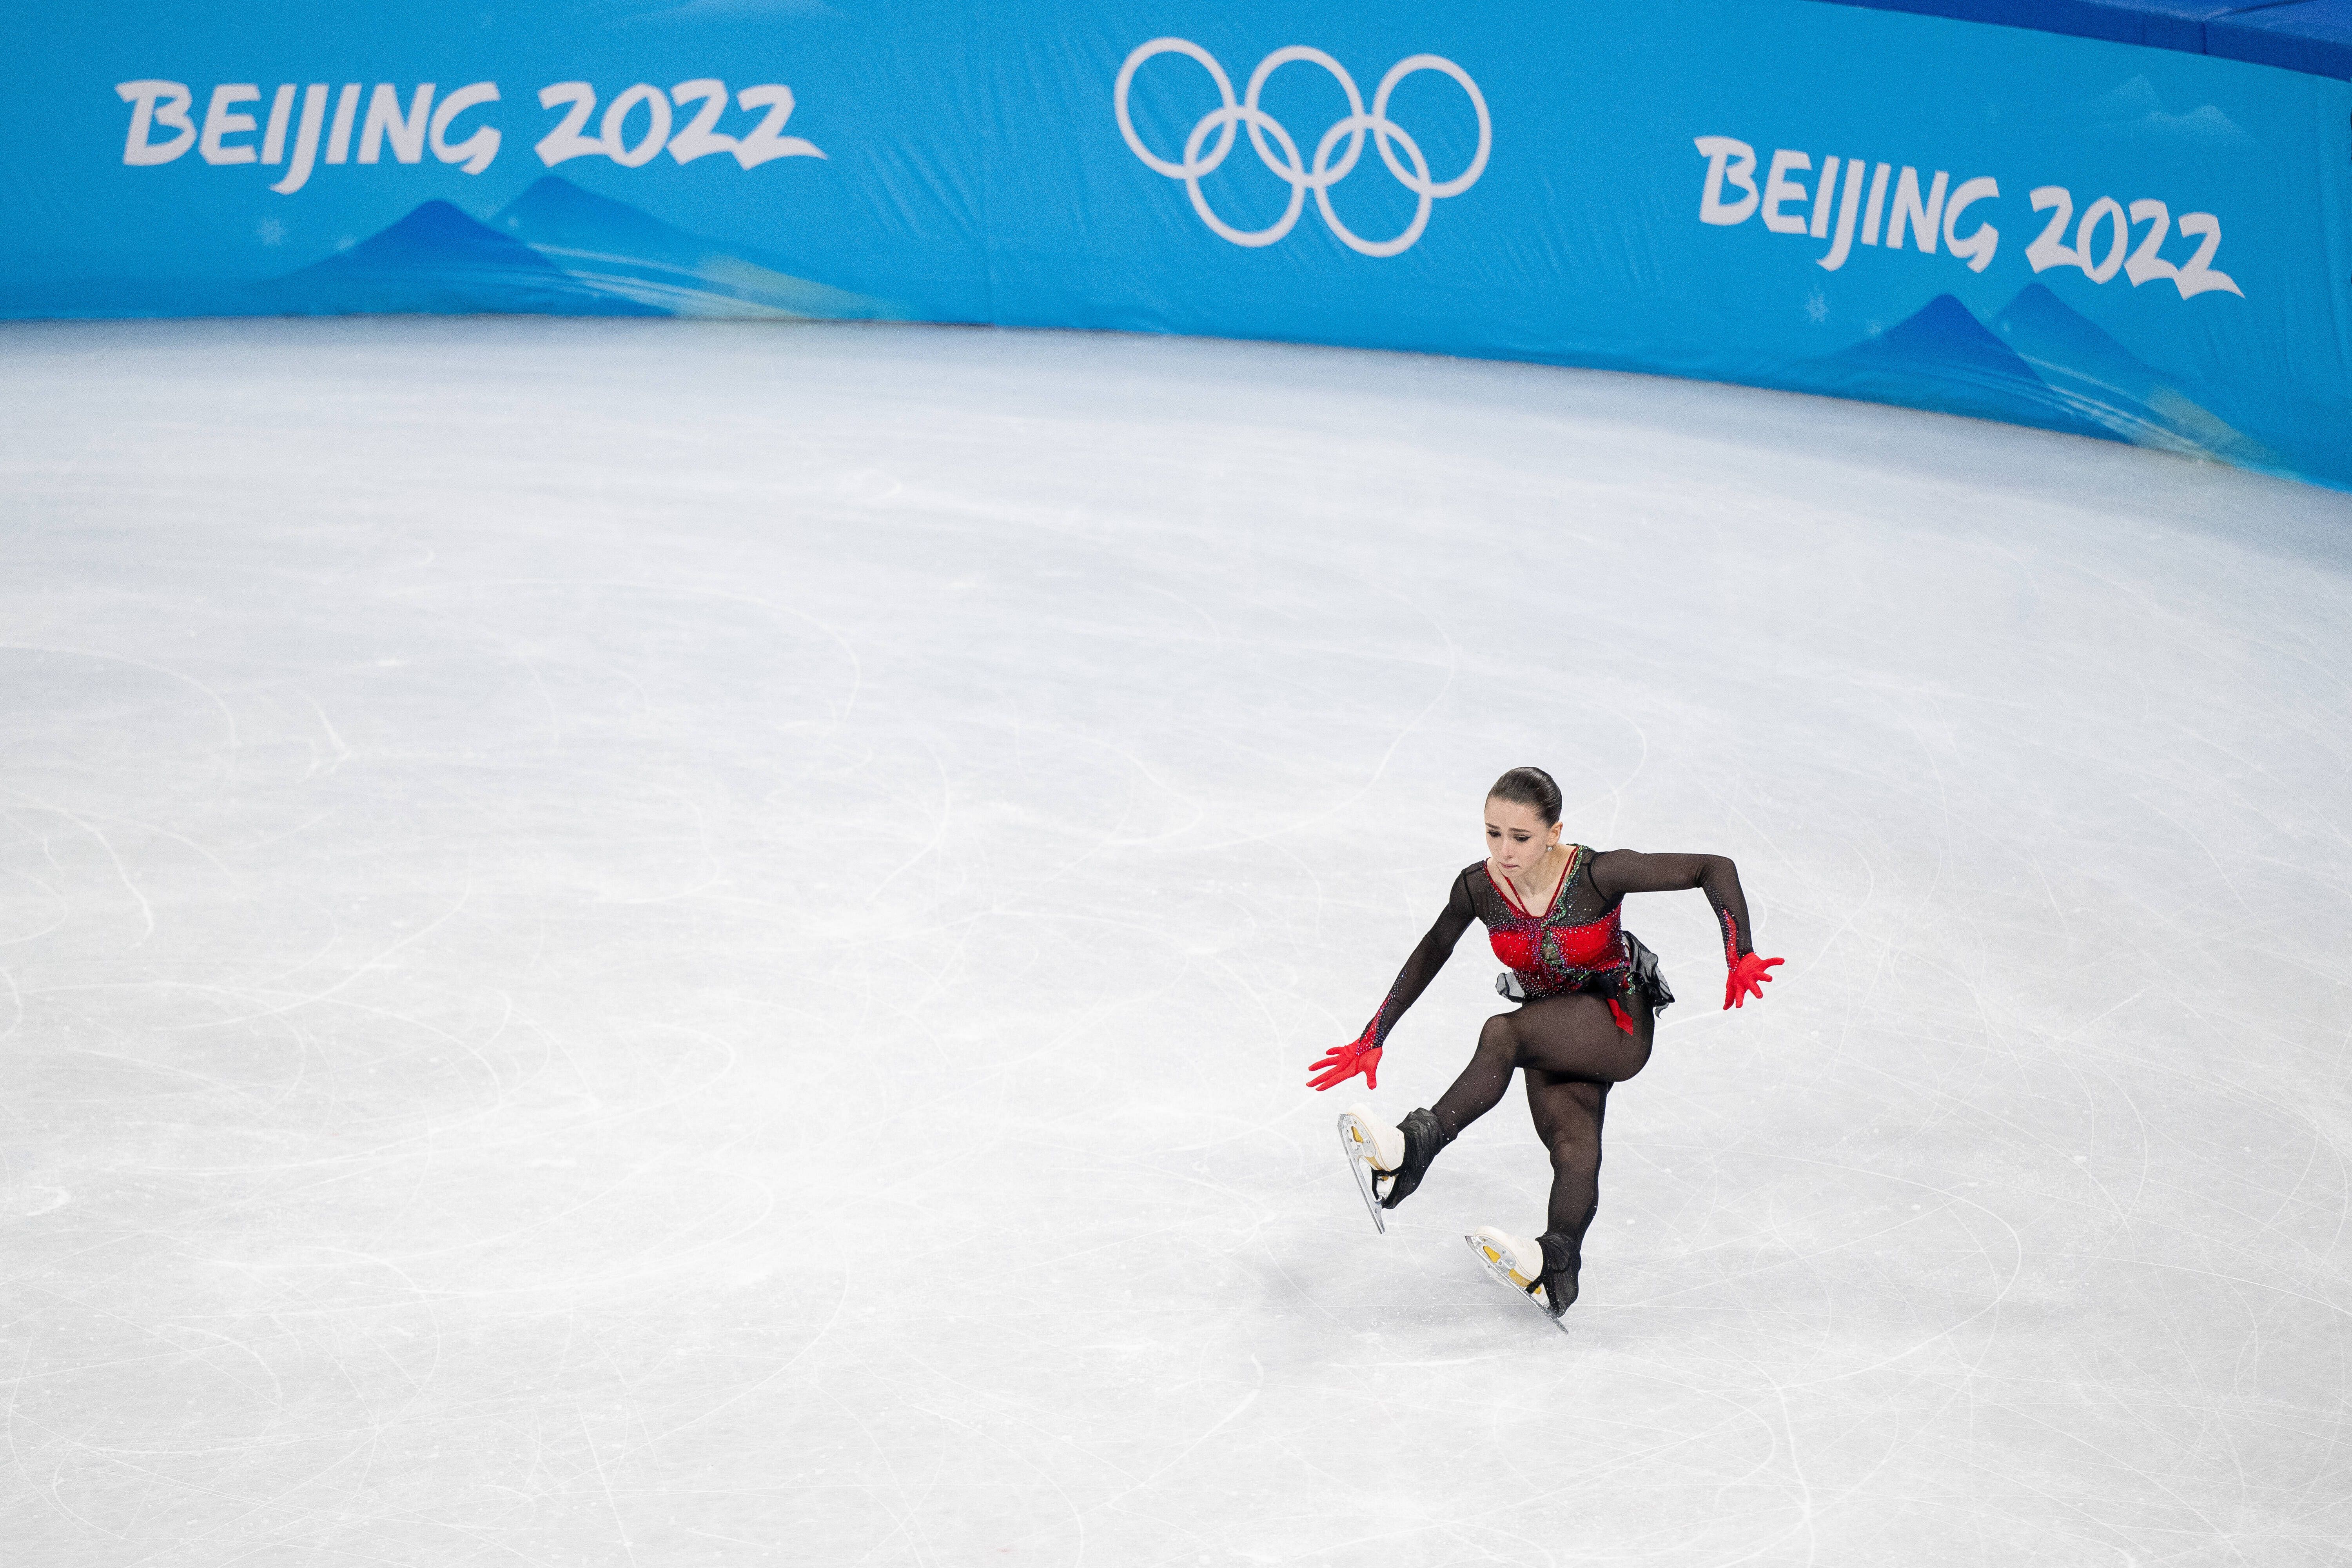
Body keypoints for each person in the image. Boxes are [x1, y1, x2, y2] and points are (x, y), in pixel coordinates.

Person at [1308, 766, 1782, 1328]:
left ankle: (1413, 1152)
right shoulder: (1479, 889)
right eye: (1493, 833)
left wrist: (1739, 951)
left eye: (1521, 837)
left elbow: (1713, 868)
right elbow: (1435, 945)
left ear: (1554, 833)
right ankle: (1556, 1268)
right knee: (1571, 1141)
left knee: (1502, 1033)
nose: (1504, 850)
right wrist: (1374, 1035)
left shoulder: (1597, 874)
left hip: (1615, 1027)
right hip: (1552, 1030)